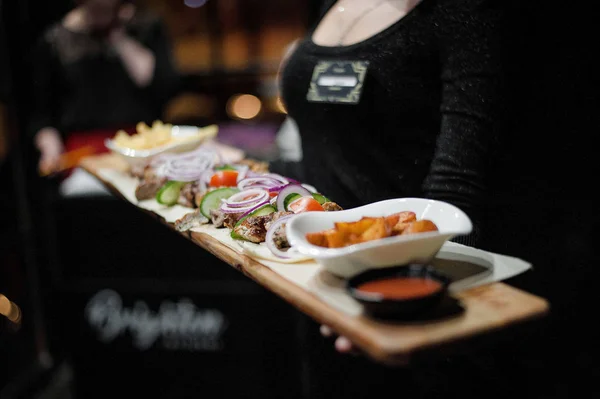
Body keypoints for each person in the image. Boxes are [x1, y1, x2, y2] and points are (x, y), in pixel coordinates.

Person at [275, 0, 507, 353]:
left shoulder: (463, 10)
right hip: (317, 276)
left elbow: (456, 186)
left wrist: (407, 294)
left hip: (402, 289)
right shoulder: (328, 3)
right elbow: (330, 150)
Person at [30, 0, 180, 176]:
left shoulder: (145, 25)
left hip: (143, 147)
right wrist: (51, 149)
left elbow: (161, 85)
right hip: (84, 153)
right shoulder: (56, 39)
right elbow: (41, 112)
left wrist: (116, 34)